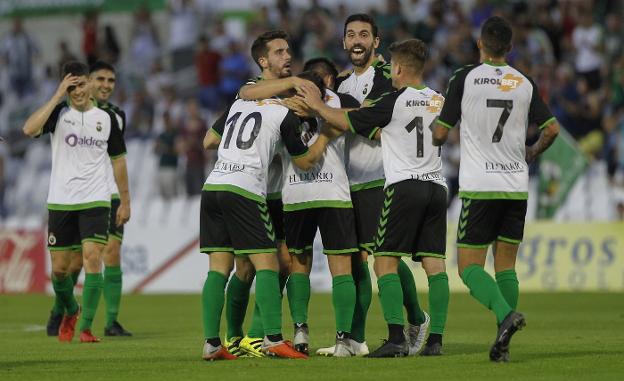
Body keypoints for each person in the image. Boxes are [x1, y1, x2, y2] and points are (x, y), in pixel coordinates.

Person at [295, 38, 448, 358]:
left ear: (400, 68)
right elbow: (446, 133)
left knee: (384, 262)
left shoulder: (393, 101)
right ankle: (435, 341)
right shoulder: (438, 98)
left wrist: (318, 106)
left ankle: (396, 337)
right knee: (435, 266)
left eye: (392, 66)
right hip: (436, 185)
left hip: (403, 185)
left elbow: (348, 121)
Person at [432, 16, 559, 362]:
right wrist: (531, 152)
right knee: (506, 268)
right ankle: (502, 342)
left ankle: (506, 317)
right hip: (515, 186)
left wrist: (435, 133)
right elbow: (551, 130)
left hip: (479, 186)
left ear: (480, 44)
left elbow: (441, 133)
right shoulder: (524, 82)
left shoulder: (465, 77)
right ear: (511, 47)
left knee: (468, 268)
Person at [198, 71, 332, 361]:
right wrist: (327, 135)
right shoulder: (283, 114)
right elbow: (306, 161)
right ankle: (271, 338)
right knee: (269, 262)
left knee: (218, 268)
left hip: (214, 185)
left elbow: (208, 140)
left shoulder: (238, 102)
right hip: (245, 189)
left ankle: (212, 344)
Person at [23, 61, 130, 343]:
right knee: (60, 270)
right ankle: (70, 309)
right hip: (61, 201)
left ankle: (85, 328)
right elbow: (28, 129)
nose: (78, 90)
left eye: (82, 84)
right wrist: (57, 95)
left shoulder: (107, 119)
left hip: (96, 200)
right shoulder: (59, 114)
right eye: (72, 86)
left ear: (89, 84)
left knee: (93, 259)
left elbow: (119, 162)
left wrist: (125, 201)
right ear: (66, 87)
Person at [280, 59, 361, 357]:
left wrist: (316, 111)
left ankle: (314, 333)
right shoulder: (288, 107)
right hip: (322, 194)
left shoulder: (334, 103)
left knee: (307, 265)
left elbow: (364, 116)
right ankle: (324, 336)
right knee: (328, 267)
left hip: (310, 194)